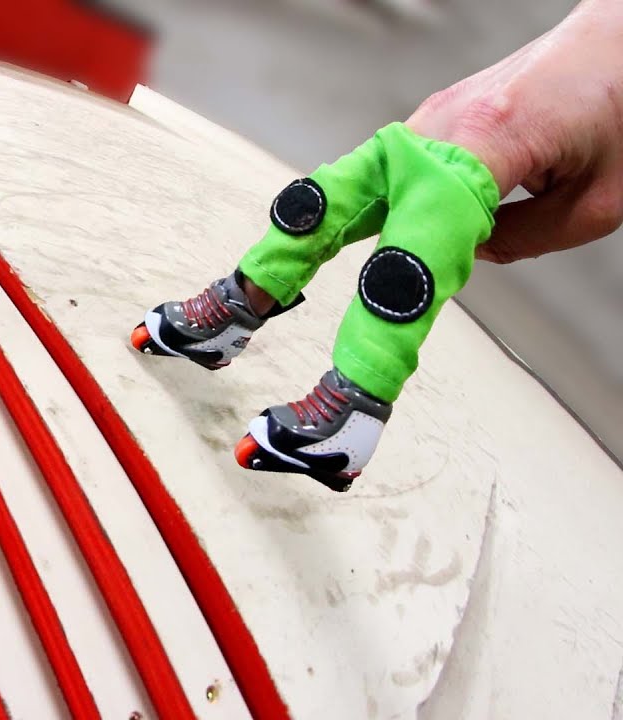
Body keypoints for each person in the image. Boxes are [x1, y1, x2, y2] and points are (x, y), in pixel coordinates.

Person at [130, 0, 623, 491]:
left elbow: (598, 204)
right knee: (315, 205)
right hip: (453, 122)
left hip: (484, 158)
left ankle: (352, 415)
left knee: (402, 277)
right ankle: (233, 314)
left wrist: (493, 235)